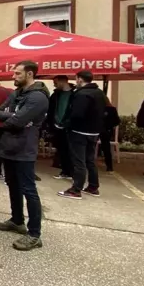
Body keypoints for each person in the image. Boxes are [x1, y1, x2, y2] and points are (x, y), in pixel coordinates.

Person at [0, 60, 48, 251]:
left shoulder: (38, 98)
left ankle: (34, 234)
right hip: (9, 147)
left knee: (28, 190)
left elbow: (16, 122)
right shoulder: (16, 93)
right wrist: (15, 118)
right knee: (12, 185)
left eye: (17, 74)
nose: (13, 76)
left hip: (24, 150)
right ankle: (17, 221)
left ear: (30, 74)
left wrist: (15, 118)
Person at [58, 70, 106, 200]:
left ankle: (76, 189)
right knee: (90, 160)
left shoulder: (81, 94)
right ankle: (93, 187)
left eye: (76, 79)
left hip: (79, 132)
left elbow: (76, 114)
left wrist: (66, 124)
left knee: (79, 161)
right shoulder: (99, 93)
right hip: (94, 131)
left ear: (79, 79)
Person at [46, 76, 75, 180]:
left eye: (55, 82)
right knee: (61, 150)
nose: (54, 85)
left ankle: (72, 172)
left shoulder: (75, 94)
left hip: (70, 127)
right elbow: (50, 110)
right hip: (57, 126)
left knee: (71, 150)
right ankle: (65, 171)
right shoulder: (55, 95)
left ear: (63, 81)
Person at [99, 97, 120, 172]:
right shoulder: (112, 109)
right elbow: (117, 121)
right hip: (107, 130)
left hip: (97, 129)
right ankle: (109, 166)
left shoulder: (97, 108)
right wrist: (110, 126)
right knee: (106, 148)